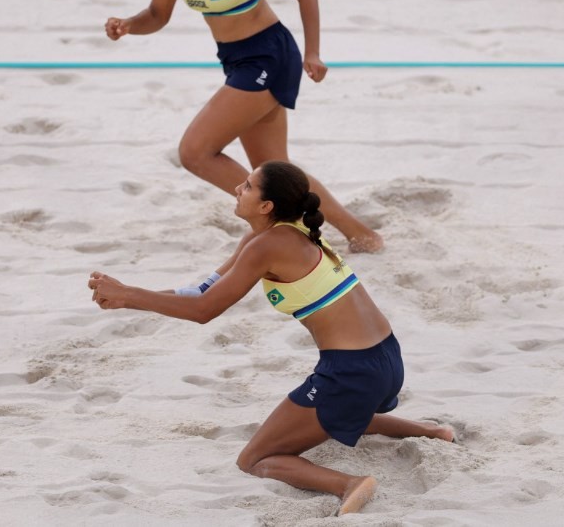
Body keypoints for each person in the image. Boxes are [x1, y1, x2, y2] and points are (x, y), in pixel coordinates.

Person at [88, 160, 455, 516]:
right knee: (336, 413)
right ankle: (429, 431)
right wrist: (127, 298)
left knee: (255, 459)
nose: (236, 188)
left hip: (353, 374)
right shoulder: (275, 235)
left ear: (266, 205)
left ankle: (349, 483)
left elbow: (204, 311)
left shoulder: (267, 246)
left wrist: (130, 293)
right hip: (386, 359)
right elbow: (200, 291)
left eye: (246, 186)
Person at [104, 0, 382, 253]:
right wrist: (128, 25)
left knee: (195, 152)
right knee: (276, 166)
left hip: (269, 55)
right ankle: (362, 235)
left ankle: (274, 219)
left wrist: (313, 52)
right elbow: (158, 13)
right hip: (236, 60)